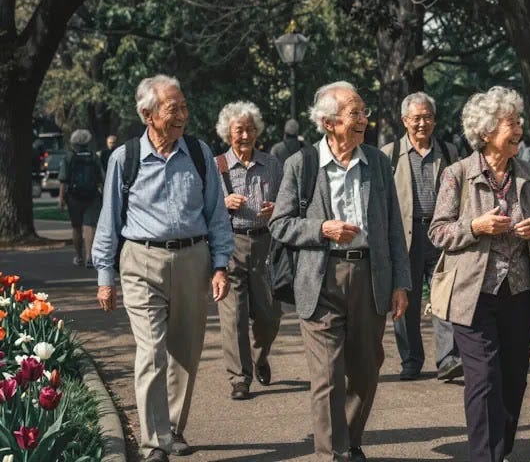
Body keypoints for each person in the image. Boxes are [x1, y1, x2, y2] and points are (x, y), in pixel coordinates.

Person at [92, 75, 233, 462]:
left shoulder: (200, 154)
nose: (182, 116)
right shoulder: (125, 158)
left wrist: (220, 265)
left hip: (193, 259)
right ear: (147, 114)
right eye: (174, 109)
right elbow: (109, 220)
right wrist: (106, 277)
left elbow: (217, 215)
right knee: (151, 351)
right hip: (141, 260)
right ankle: (154, 443)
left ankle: (172, 428)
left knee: (185, 353)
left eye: (184, 108)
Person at [269, 81, 410, 461]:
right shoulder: (302, 164)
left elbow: (394, 228)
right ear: (330, 122)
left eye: (364, 112)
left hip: (370, 278)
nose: (364, 118)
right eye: (355, 113)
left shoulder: (378, 163)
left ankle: (348, 438)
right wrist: (321, 228)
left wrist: (401, 284)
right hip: (321, 278)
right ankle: (336, 452)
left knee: (366, 371)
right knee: (328, 375)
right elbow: (280, 224)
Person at [429, 86, 530, 462]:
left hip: (520, 293)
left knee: (513, 379)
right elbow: (438, 231)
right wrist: (476, 226)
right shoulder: (458, 174)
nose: (518, 129)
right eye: (510, 123)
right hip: (473, 294)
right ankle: (485, 456)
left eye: (519, 122)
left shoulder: (529, 173)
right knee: (483, 380)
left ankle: (499, 450)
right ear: (486, 132)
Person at [380, 92, 463, 381]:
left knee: (445, 296)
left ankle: (448, 360)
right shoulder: (388, 153)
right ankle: (411, 360)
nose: (422, 123)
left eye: (427, 117)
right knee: (405, 300)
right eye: (416, 118)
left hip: (440, 235)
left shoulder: (449, 152)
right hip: (405, 236)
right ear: (405, 120)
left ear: (435, 119)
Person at [214, 101, 283, 400]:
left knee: (269, 317)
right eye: (239, 129)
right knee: (233, 317)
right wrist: (223, 204)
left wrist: (277, 209)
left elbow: (290, 204)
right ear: (227, 133)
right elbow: (203, 209)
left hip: (266, 244)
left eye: (250, 129)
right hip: (230, 244)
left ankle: (259, 357)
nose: (245, 135)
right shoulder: (217, 166)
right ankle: (239, 378)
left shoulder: (273, 164)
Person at [58, 129, 104, 268]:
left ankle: (79, 257)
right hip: (92, 195)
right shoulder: (93, 156)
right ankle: (90, 256)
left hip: (74, 196)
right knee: (89, 226)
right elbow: (101, 177)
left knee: (76, 227)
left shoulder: (69, 157)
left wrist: (61, 198)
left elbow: (63, 179)